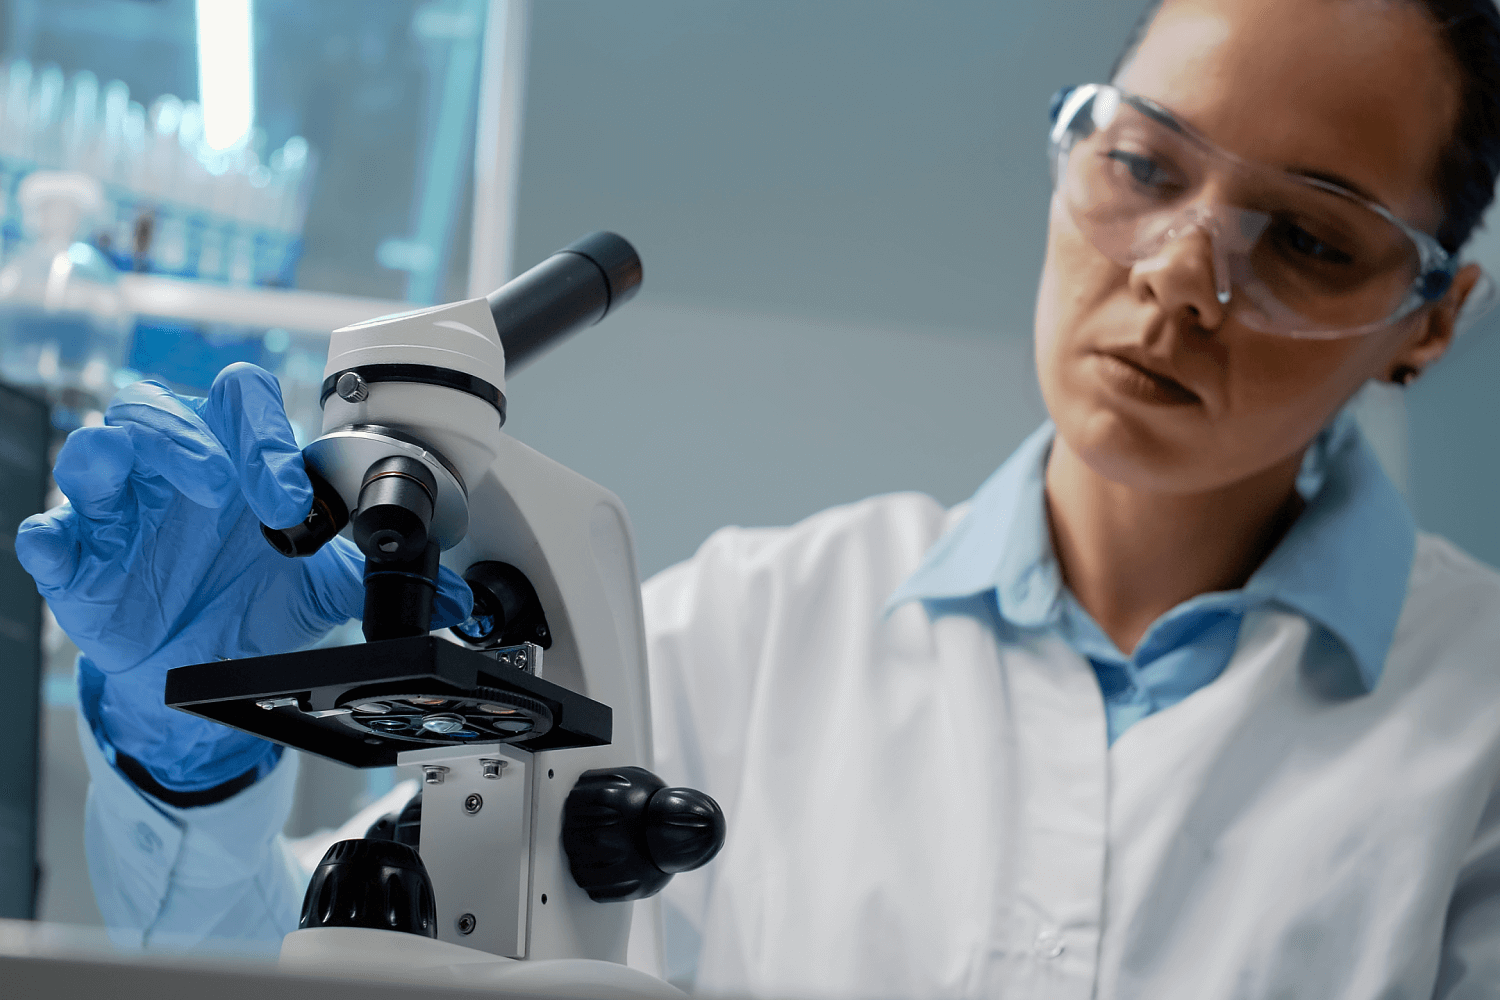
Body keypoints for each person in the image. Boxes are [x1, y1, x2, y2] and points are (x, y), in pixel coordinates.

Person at [17, 0, 1500, 994]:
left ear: (1433, 319)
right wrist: (189, 770)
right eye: (1143, 164)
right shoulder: (747, 629)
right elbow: (280, 959)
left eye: (1309, 240)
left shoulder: (1478, 724)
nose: (1180, 276)